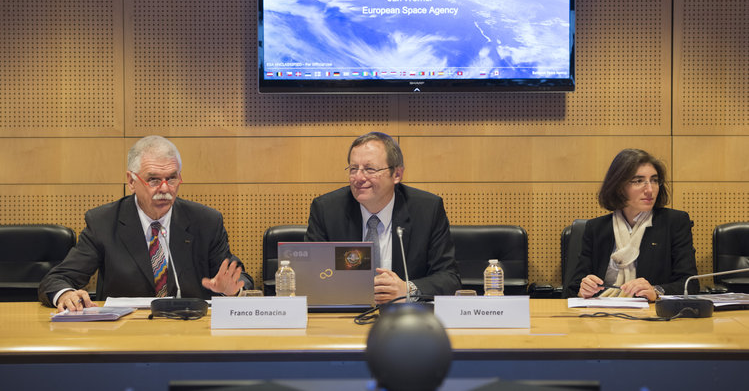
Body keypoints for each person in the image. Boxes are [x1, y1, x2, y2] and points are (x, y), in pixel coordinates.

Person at [39, 135, 253, 312]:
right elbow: (58, 278)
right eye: (153, 180)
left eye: (171, 178)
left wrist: (232, 288)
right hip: (124, 335)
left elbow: (237, 277)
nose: (165, 188)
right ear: (131, 181)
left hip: (190, 331)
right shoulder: (103, 222)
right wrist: (66, 294)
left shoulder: (206, 221)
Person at [305, 132, 461, 304]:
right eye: (353, 168)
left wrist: (408, 289)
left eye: (370, 169)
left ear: (397, 175)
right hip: (344, 317)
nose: (358, 178)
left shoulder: (427, 210)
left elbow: (449, 278)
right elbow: (311, 278)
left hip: (406, 318)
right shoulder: (327, 210)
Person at [567, 148, 698, 300]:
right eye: (638, 181)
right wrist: (584, 288)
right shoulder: (596, 228)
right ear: (618, 187)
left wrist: (656, 291)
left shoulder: (674, 223)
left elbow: (690, 284)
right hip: (603, 315)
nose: (650, 189)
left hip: (653, 316)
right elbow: (573, 287)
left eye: (654, 180)